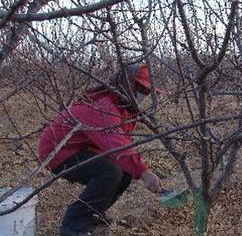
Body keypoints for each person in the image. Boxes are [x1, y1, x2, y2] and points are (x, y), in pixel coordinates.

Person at [37, 65, 163, 236]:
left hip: (81, 147)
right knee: (110, 173)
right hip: (58, 150)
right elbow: (118, 145)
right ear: (124, 84)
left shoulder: (123, 107)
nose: (142, 95)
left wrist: (136, 168)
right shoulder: (104, 106)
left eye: (146, 91)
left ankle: (93, 214)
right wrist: (144, 172)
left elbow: (120, 142)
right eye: (139, 88)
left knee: (124, 172)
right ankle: (72, 226)